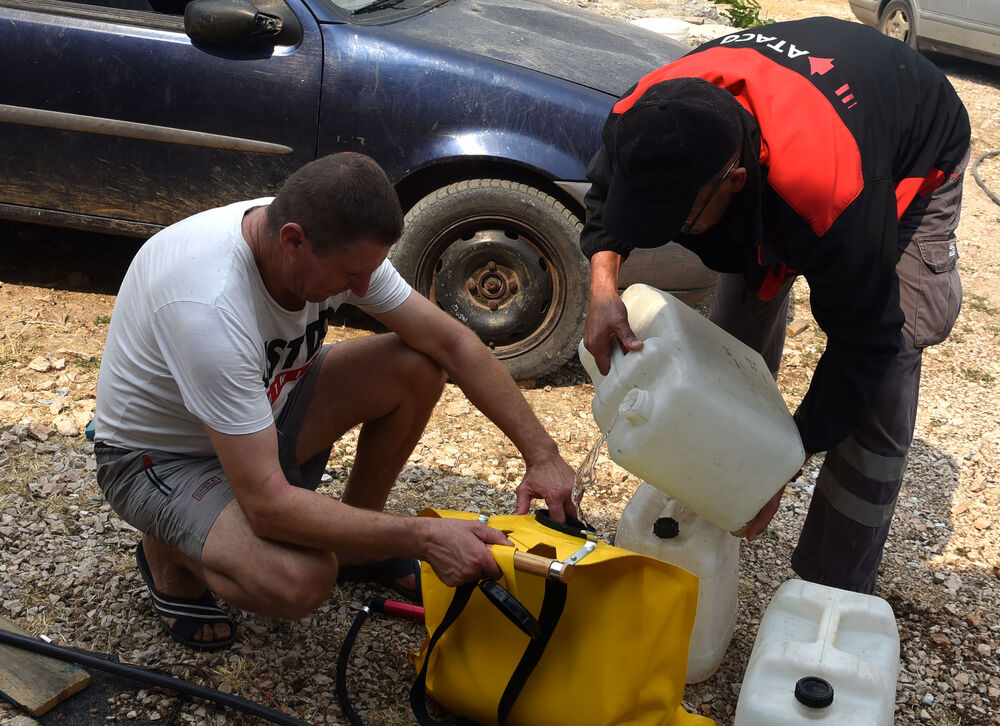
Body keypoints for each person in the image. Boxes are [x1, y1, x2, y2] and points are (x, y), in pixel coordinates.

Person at [93, 152, 576, 650]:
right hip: (161, 461)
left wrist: (543, 455)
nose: (363, 289)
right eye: (351, 275)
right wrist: (421, 536)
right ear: (293, 240)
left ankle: (359, 550)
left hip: (260, 415)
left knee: (415, 366)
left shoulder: (325, 237)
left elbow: (452, 343)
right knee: (300, 578)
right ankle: (168, 553)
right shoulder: (208, 304)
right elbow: (267, 506)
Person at [580, 17, 970, 594]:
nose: (666, 235)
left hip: (913, 144)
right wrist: (602, 288)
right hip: (798, 124)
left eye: (678, 222)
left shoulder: (834, 197)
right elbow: (607, 197)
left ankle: (829, 586)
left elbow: (865, 340)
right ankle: (705, 495)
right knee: (727, 342)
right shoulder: (644, 115)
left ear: (734, 180)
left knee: (884, 378)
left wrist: (783, 460)